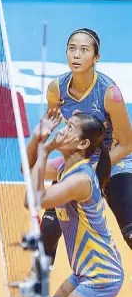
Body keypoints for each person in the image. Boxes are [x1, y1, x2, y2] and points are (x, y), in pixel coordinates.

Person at [27, 28, 132, 266]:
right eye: (72, 48)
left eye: (84, 50)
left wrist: (93, 169)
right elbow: (50, 125)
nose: (76, 55)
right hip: (78, 160)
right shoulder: (56, 90)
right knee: (48, 231)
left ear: (96, 57)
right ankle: (40, 280)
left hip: (114, 159)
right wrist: (42, 139)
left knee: (130, 232)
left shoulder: (109, 94)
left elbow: (126, 144)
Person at [26, 111, 124, 297]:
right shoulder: (64, 168)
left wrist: (45, 151)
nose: (61, 131)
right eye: (65, 125)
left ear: (83, 143)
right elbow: (29, 168)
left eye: (70, 128)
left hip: (102, 276)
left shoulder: (80, 179)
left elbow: (35, 200)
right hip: (83, 271)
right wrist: (37, 138)